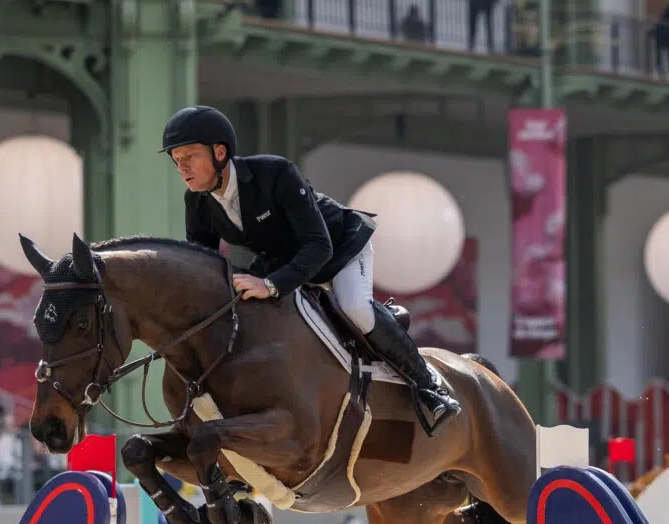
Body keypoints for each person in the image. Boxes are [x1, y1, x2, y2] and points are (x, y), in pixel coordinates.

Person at [161, 105, 461, 433]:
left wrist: (271, 285)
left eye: (189, 155)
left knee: (355, 309)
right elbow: (205, 266)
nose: (182, 166)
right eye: (176, 159)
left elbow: (319, 246)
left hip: (339, 247)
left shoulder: (274, 173)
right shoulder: (198, 203)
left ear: (219, 152)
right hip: (281, 260)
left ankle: (429, 386)